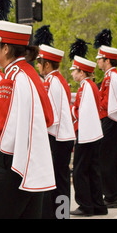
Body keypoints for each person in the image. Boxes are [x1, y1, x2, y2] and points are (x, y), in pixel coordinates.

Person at [0, 19, 56, 219]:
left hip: (8, 164)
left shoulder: (12, 79)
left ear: (5, 48)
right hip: (24, 163)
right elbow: (48, 117)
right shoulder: (29, 74)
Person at [34, 25, 76, 219]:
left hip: (57, 137)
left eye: (39, 63)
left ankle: (61, 215)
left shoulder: (53, 82)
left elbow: (51, 116)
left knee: (59, 180)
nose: (37, 66)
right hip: (60, 135)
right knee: (60, 179)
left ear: (47, 65)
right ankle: (61, 214)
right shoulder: (56, 80)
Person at [68, 38, 107, 216]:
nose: (73, 74)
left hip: (86, 135)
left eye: (74, 71)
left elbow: (82, 112)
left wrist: (71, 111)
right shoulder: (89, 85)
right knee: (92, 170)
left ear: (82, 72)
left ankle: (86, 205)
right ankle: (98, 204)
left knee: (80, 172)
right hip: (93, 135)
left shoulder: (86, 86)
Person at [94, 30, 117, 208]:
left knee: (106, 160)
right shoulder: (116, 76)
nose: (98, 62)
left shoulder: (110, 77)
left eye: (100, 59)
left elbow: (107, 103)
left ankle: (111, 196)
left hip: (111, 121)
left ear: (107, 60)